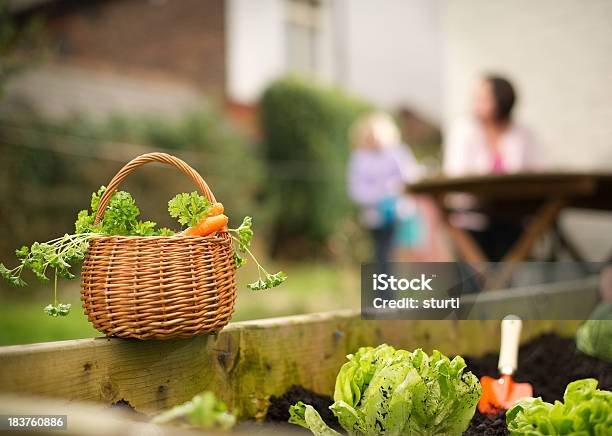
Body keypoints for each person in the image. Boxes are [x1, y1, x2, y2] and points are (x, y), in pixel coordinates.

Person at [443, 75, 541, 261]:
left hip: (513, 216)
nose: (476, 104)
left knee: (509, 264)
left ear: (501, 101)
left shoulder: (523, 134)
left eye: (483, 98)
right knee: (474, 273)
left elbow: (536, 171)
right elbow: (456, 172)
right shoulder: (464, 130)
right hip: (471, 215)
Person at [347, 112, 423, 267]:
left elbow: (410, 177)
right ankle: (385, 290)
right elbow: (356, 190)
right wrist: (380, 196)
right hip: (375, 216)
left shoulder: (398, 153)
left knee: (404, 255)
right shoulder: (360, 158)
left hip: (400, 213)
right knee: (383, 255)